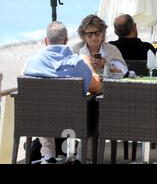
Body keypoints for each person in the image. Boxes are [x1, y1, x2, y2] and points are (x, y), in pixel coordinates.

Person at [23, 22, 101, 164]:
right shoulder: (78, 64)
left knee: (43, 107)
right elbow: (96, 88)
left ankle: (48, 155)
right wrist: (89, 64)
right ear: (66, 41)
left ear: (46, 41)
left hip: (39, 121)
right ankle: (81, 158)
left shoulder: (31, 63)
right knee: (95, 105)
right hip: (73, 122)